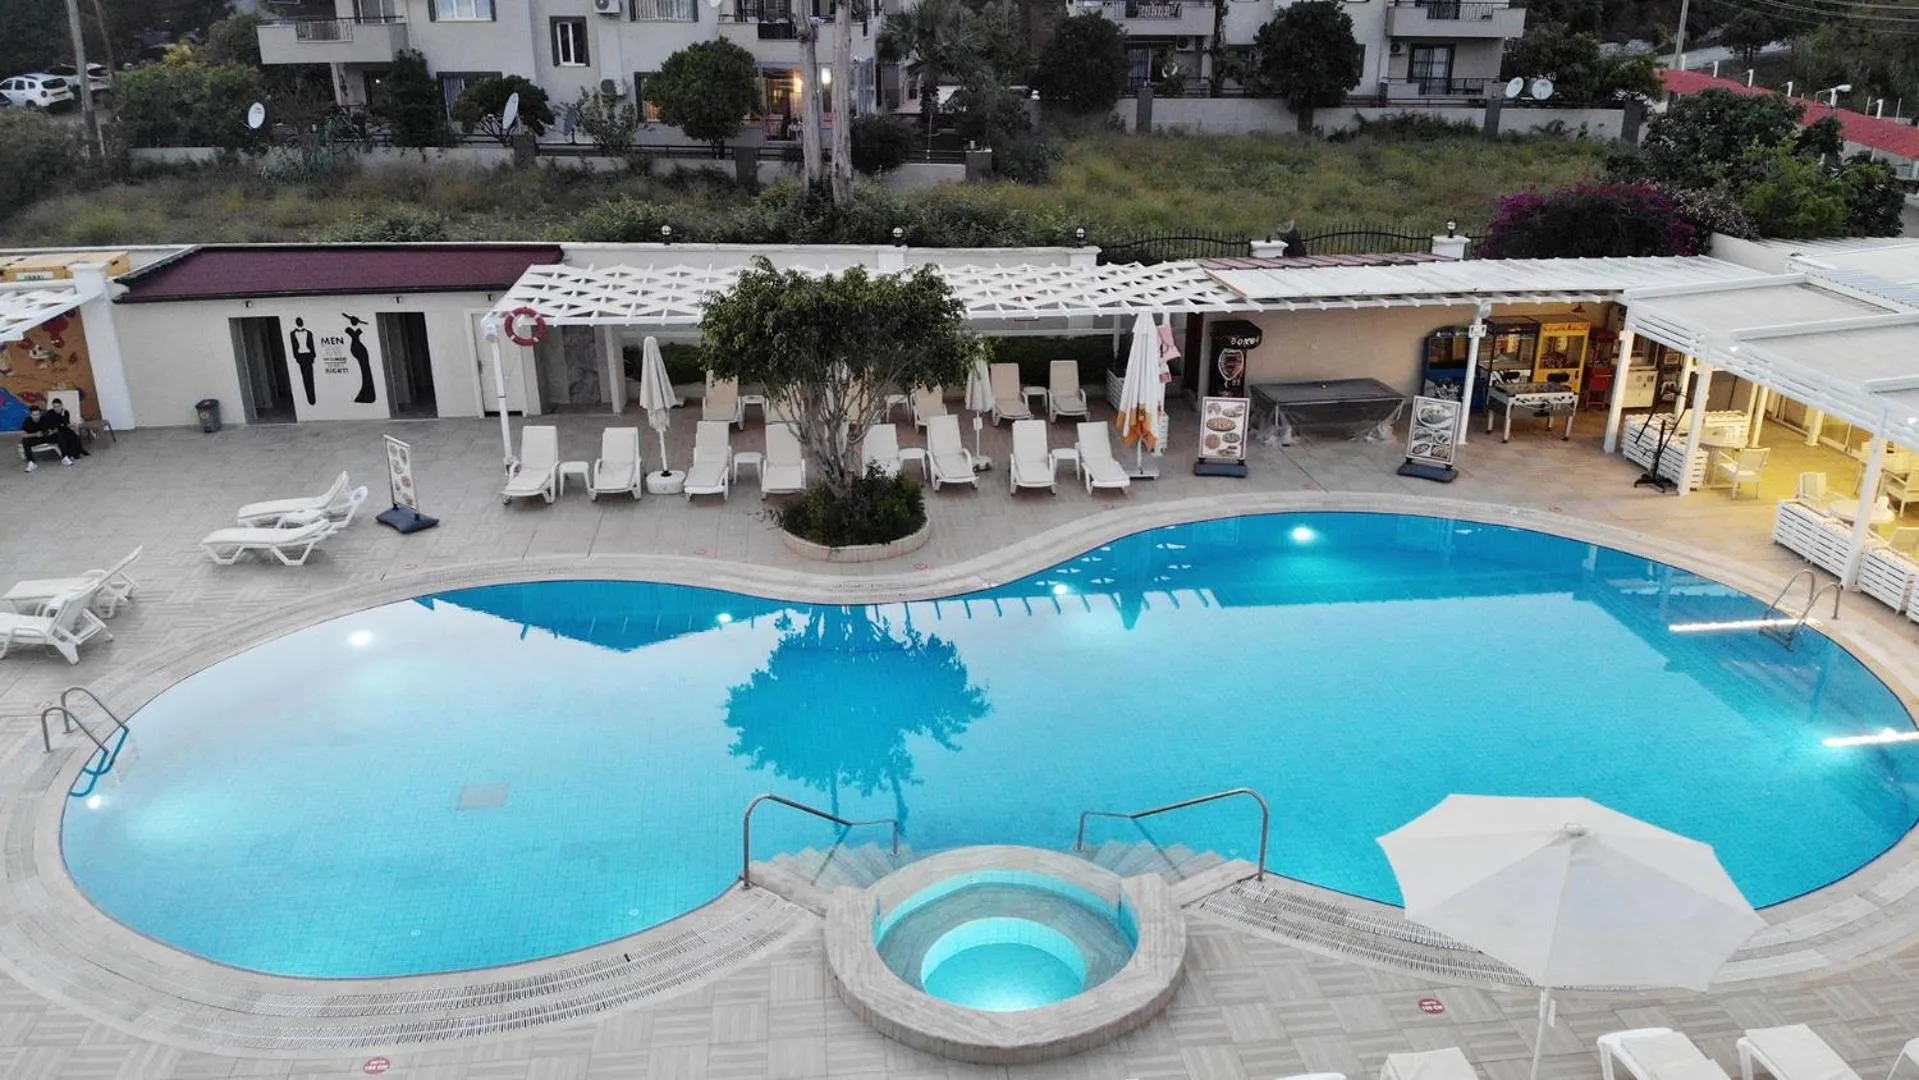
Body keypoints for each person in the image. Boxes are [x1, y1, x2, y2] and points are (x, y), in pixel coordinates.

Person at [19, 404, 83, 471]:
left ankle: (64, 457)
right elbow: (22, 435)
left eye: (38, 414)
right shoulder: (27, 421)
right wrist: (35, 434)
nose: (36, 417)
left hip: (46, 437)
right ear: (31, 415)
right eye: (34, 415)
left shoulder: (45, 419)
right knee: (25, 440)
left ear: (40, 414)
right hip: (35, 439)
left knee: (59, 435)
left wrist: (51, 432)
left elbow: (55, 429)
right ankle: (31, 462)